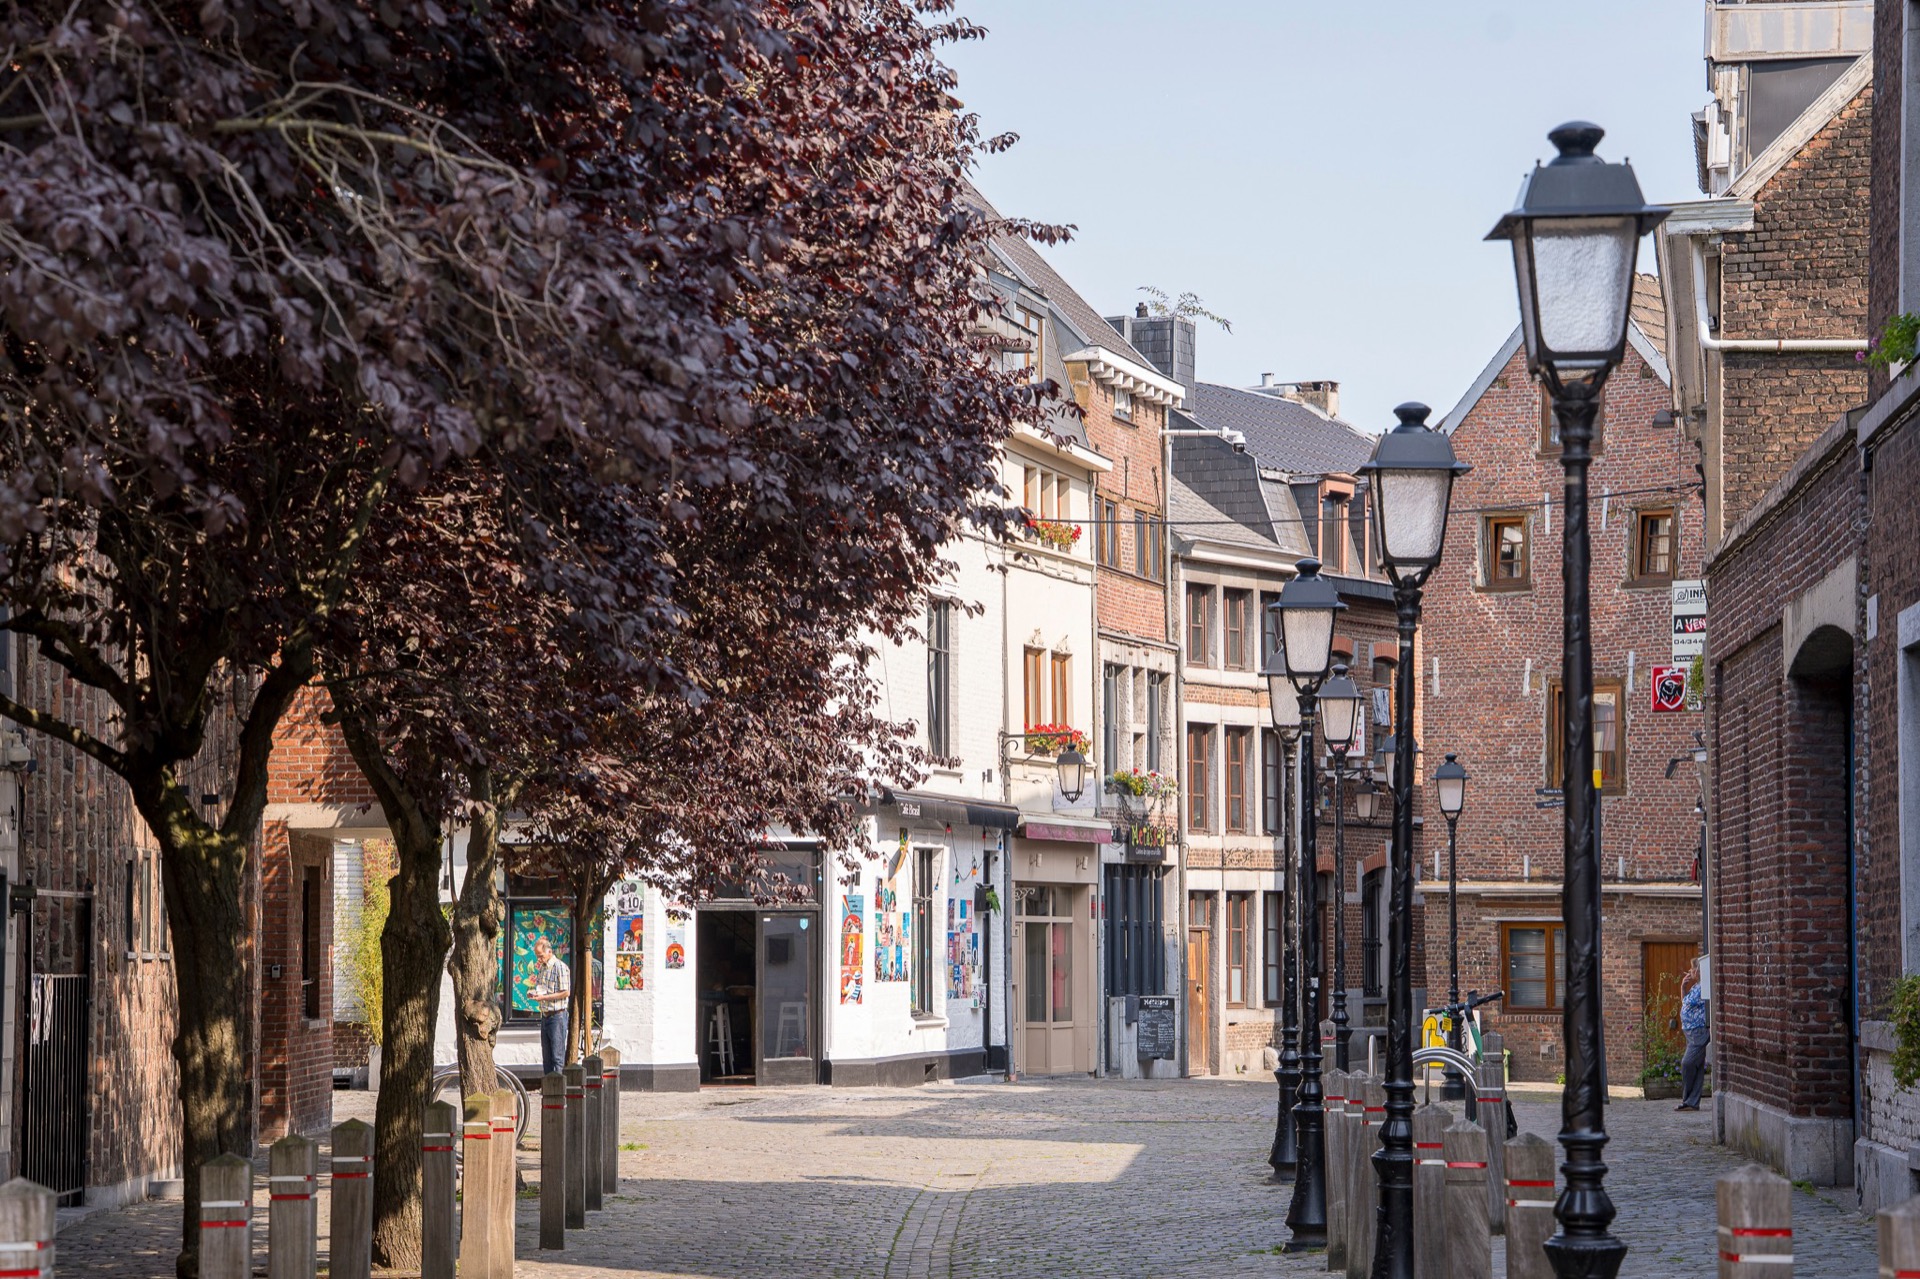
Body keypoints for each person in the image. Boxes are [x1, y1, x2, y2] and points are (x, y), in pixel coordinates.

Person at [529, 935, 572, 1077]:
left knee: (557, 1057)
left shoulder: (560, 967)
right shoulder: (542, 968)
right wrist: (534, 993)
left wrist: (543, 997)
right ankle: (548, 1087)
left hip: (557, 1016)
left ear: (549, 952)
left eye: (541, 956)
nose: (539, 959)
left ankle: (558, 1087)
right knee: (546, 1058)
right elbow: (543, 989)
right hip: (545, 1015)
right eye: (537, 956)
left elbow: (565, 992)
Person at [1677, 961, 1709, 1111]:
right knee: (1697, 1066)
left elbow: (1689, 1002)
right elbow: (1685, 1003)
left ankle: (1688, 1100)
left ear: (1698, 970)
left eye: (1692, 968)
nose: (1690, 971)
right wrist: (1683, 988)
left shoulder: (1704, 987)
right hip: (1690, 1032)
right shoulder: (1696, 986)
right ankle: (1692, 1102)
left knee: (1687, 1063)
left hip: (1698, 1032)